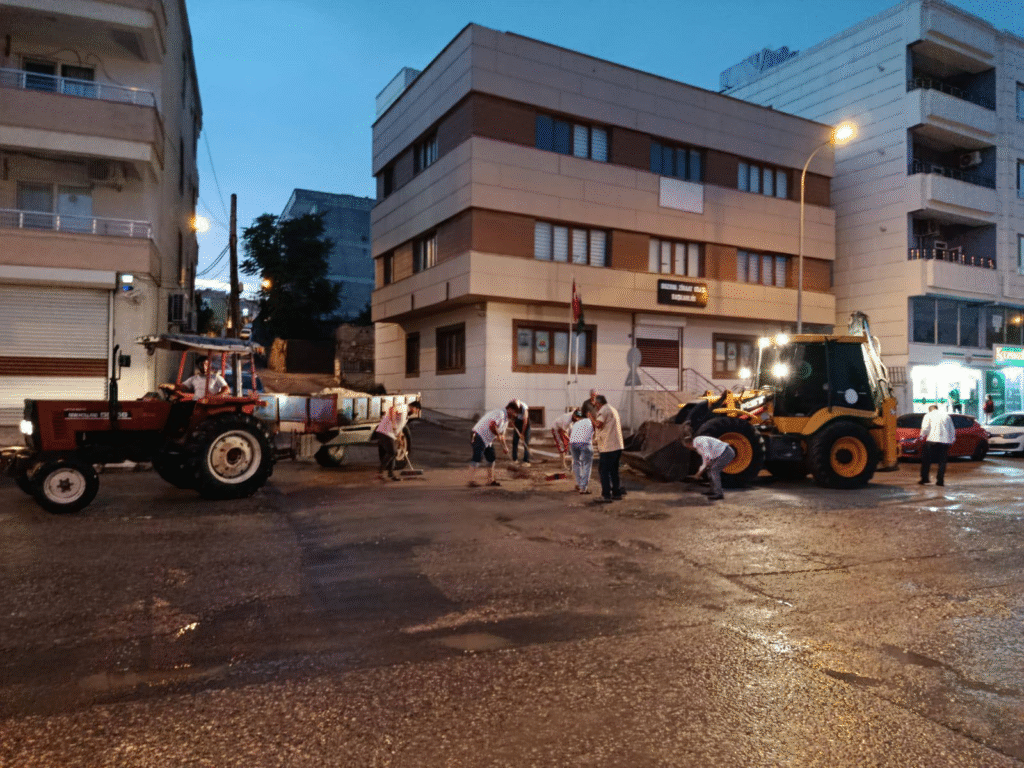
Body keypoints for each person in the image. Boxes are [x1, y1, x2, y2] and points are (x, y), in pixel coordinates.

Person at [468, 402, 516, 487]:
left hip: (487, 439)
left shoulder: (506, 420)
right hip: (477, 434)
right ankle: (470, 480)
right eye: (515, 412)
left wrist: (504, 447)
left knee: (491, 458)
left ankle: (490, 481)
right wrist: (498, 435)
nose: (515, 415)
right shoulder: (500, 413)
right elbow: (492, 426)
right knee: (477, 456)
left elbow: (502, 435)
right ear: (510, 409)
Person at [682, 427, 735, 501]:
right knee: (710, 470)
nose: (687, 448)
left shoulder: (700, 442)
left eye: (686, 446)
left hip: (726, 452)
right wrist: (698, 473)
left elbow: (708, 458)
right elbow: (705, 462)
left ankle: (719, 494)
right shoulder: (698, 446)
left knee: (714, 470)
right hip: (720, 454)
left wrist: (699, 474)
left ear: (688, 444)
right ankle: (713, 490)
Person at [374, 400, 421, 482]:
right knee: (392, 452)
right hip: (384, 431)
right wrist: (393, 424)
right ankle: (380, 472)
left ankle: (391, 474)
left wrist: (400, 438)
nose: (416, 412)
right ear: (413, 407)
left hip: (391, 434)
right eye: (417, 409)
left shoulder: (406, 415)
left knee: (393, 453)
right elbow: (392, 409)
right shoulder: (403, 407)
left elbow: (399, 427)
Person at [593, 394, 624, 502]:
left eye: (596, 404)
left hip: (608, 446)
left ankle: (606, 495)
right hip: (617, 445)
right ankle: (617, 493)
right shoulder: (613, 409)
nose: (595, 406)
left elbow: (598, 424)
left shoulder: (603, 410)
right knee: (614, 471)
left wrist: (591, 418)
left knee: (603, 471)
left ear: (598, 403)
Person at [918, 404, 955, 487]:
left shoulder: (928, 415)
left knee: (926, 460)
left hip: (932, 441)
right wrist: (952, 441)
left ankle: (925, 479)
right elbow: (952, 430)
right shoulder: (946, 416)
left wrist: (921, 437)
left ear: (930, 409)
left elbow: (925, 428)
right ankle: (940, 481)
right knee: (942, 462)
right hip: (944, 442)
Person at [569, 409, 595, 494]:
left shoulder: (575, 424)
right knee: (586, 464)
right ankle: (583, 488)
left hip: (573, 443)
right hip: (585, 443)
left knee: (576, 463)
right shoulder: (589, 421)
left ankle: (580, 484)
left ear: (577, 417)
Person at [511, 398, 531, 466]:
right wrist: (513, 421)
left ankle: (526, 460)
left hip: (525, 425)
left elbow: (525, 422)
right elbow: (512, 416)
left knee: (525, 442)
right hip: (517, 423)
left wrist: (522, 433)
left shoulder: (524, 408)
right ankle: (515, 459)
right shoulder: (512, 406)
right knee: (515, 442)